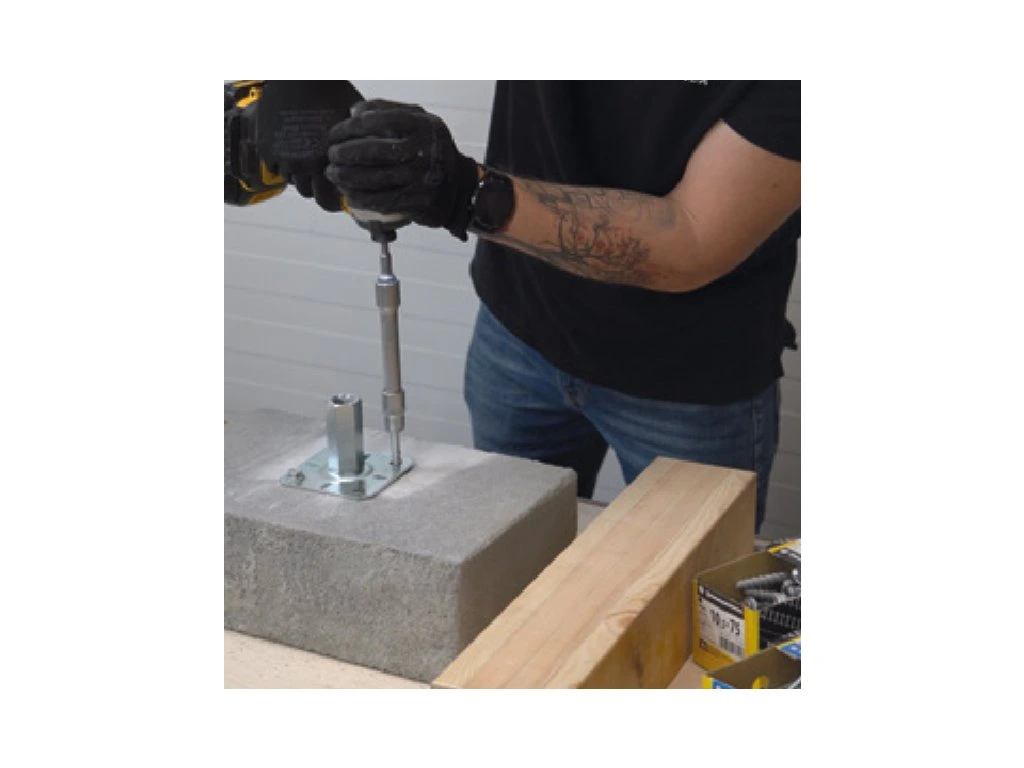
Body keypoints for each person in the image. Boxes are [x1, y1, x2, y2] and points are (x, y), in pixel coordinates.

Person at [299, 81, 800, 534]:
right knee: (506, 559)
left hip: (691, 379)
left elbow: (691, 237)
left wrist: (468, 194)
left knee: (682, 591)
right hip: (519, 335)